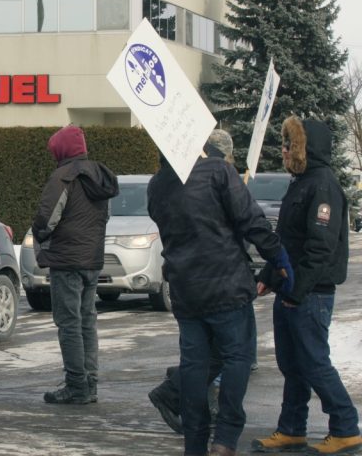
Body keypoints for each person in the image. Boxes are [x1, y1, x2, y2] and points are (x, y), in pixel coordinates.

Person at [147, 129, 293, 456]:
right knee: (238, 356)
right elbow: (251, 221)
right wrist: (278, 258)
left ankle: (195, 444)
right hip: (227, 285)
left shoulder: (157, 185)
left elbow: (166, 224)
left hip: (186, 290)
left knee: (196, 365)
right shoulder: (218, 171)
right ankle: (226, 436)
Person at [252, 116, 362, 455]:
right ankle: (292, 429)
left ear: (305, 147)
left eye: (290, 144)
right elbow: (288, 242)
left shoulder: (323, 184)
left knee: (314, 362)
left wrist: (298, 294)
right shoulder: (301, 182)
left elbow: (320, 249)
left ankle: (346, 428)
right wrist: (269, 279)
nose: (283, 150)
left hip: (310, 295)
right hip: (291, 291)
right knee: (292, 364)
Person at [32, 125, 119, 404]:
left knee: (69, 323)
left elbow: (46, 220)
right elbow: (103, 218)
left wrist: (39, 236)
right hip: (92, 259)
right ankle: (90, 383)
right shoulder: (100, 176)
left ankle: (76, 385)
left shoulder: (63, 177)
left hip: (67, 259)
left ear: (62, 149)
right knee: (87, 322)